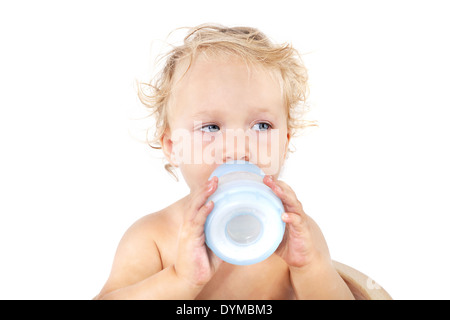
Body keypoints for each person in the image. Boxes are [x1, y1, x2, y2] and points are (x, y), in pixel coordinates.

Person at [95, 24, 355, 300]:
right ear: (173, 147)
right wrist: (180, 280)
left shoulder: (297, 236)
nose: (237, 150)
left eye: (262, 126)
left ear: (285, 143)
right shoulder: (153, 239)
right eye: (211, 128)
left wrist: (308, 267)